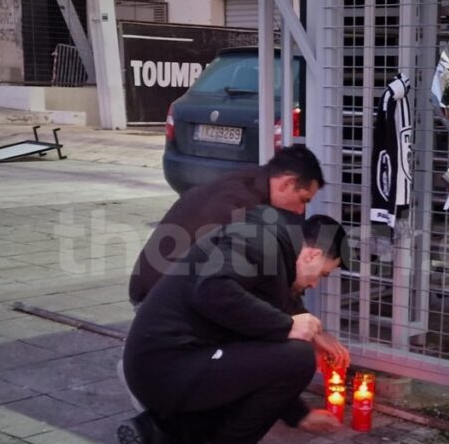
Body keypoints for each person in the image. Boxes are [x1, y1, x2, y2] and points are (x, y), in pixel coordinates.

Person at [117, 206, 352, 444]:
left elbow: (271, 316)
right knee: (298, 356)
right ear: (312, 254)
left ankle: (157, 432)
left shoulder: (270, 251)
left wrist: (298, 413)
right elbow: (211, 291)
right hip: (164, 368)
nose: (315, 284)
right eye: (323, 274)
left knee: (278, 355)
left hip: (166, 365)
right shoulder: (260, 245)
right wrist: (288, 326)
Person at [127, 143, 349, 366]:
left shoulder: (250, 184)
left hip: (172, 287)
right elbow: (230, 288)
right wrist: (295, 325)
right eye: (303, 200)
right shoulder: (240, 208)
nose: (301, 211)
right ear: (287, 183)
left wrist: (305, 324)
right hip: (158, 301)